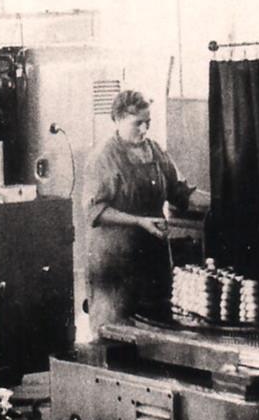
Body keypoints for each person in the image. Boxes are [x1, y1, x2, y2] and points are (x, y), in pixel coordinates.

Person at [83, 89, 195, 332]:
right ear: (118, 119)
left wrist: (217, 199)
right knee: (117, 336)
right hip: (115, 265)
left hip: (153, 259)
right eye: (138, 123)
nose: (144, 129)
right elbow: (96, 211)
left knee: (158, 331)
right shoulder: (103, 157)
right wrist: (140, 221)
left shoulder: (156, 151)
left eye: (148, 123)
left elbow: (179, 192)